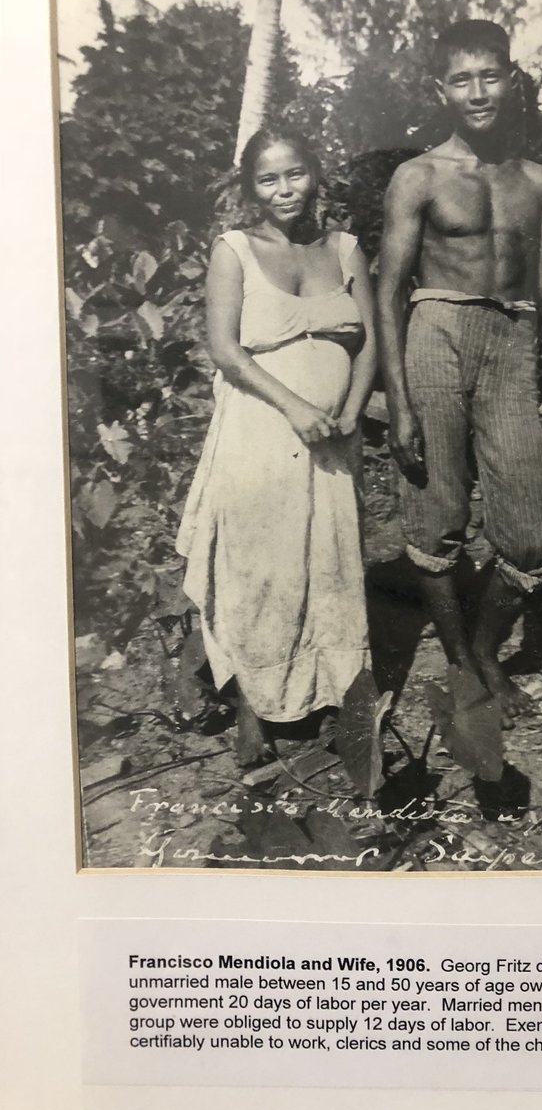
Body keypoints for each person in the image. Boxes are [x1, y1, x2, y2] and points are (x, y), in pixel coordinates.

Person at [376, 20, 542, 722]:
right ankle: (463, 664)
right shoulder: (418, 176)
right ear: (441, 90)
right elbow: (389, 290)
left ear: (512, 79)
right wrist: (398, 402)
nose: (477, 92)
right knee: (438, 513)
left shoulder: (535, 181)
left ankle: (486, 648)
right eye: (461, 80)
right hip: (436, 330)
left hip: (512, 339)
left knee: (532, 532)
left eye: (489, 76)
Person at [176, 127, 377, 766]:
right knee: (258, 568)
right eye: (268, 179)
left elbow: (370, 342)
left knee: (329, 564)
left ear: (314, 175)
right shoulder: (234, 250)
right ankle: (252, 706)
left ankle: (336, 694)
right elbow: (225, 350)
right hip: (262, 430)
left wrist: (351, 410)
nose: (284, 189)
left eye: (294, 174)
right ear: (250, 188)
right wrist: (295, 407)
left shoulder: (343, 249)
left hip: (333, 438)